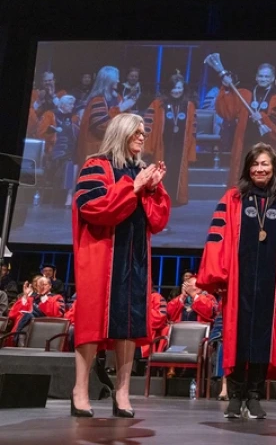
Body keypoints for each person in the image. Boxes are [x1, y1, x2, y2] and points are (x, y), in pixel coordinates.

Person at [190, 142, 276, 420]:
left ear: (274, 168)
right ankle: (236, 394)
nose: (259, 169)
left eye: (265, 163)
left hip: (271, 284)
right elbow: (217, 238)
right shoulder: (234, 199)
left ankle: (254, 395)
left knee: (263, 339)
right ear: (247, 168)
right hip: (238, 282)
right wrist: (218, 275)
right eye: (255, 164)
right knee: (236, 337)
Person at [71, 113, 170, 418]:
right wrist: (134, 187)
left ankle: (123, 391)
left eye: (144, 132)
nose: (143, 136)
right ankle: (80, 390)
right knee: (91, 322)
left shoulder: (139, 169)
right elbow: (93, 207)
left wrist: (152, 188)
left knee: (129, 324)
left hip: (135, 257)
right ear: (122, 133)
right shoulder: (96, 166)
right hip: (103, 256)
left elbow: (157, 220)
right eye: (137, 132)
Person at [211, 62, 276, 187]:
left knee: (264, 175)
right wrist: (226, 88)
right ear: (256, 77)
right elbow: (227, 112)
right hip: (245, 142)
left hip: (266, 144)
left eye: (267, 77)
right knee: (244, 174)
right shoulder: (245, 93)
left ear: (272, 78)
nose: (263, 79)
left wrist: (263, 118)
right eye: (261, 76)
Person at [143, 71, 197, 206]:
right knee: (161, 169)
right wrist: (148, 147)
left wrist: (190, 149)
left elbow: (192, 130)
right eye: (174, 88)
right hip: (162, 145)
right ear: (169, 88)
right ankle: (159, 197)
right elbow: (148, 125)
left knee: (176, 171)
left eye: (180, 88)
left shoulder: (189, 106)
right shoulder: (158, 104)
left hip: (180, 146)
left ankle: (175, 198)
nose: (177, 91)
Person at [76, 66, 136, 164]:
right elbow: (101, 127)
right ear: (108, 80)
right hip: (98, 153)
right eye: (116, 78)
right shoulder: (97, 100)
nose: (118, 80)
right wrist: (121, 108)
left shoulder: (117, 97)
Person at [37, 95, 80, 208]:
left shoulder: (74, 117)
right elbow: (41, 133)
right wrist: (52, 132)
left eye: (73, 104)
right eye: (70, 104)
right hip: (52, 150)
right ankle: (58, 199)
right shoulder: (49, 114)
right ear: (63, 105)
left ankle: (67, 196)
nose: (72, 106)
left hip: (70, 151)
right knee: (65, 164)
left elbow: (77, 134)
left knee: (72, 163)